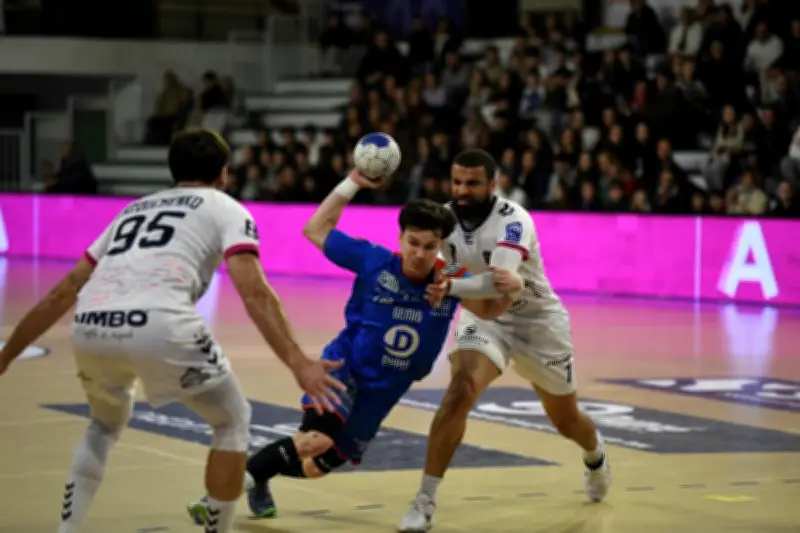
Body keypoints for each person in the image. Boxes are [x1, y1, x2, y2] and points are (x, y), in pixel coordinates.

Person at [0, 128, 345, 533]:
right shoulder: (226, 207)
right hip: (160, 323)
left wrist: (6, 356)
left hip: (91, 324)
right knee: (232, 420)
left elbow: (63, 292)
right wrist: (298, 362)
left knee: (103, 424)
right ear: (223, 174)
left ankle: (67, 530)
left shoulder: (132, 210)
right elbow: (255, 294)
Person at [186, 170, 520, 523]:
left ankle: (261, 476)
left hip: (385, 390)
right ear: (401, 237)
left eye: (429, 246)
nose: (419, 254)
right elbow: (315, 229)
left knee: (319, 465)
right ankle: (216, 500)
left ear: (441, 245)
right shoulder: (373, 260)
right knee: (314, 439)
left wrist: (511, 287)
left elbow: (490, 309)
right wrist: (354, 182)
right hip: (344, 367)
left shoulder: (452, 278)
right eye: (412, 242)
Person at [398, 149, 612, 533]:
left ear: (493, 185)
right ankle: (425, 499)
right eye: (457, 182)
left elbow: (500, 294)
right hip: (481, 316)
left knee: (566, 421)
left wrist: (449, 287)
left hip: (537, 322)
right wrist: (443, 282)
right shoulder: (443, 221)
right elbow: (461, 285)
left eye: (473, 183)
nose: (462, 191)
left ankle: (595, 454)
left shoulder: (514, 220)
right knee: (459, 391)